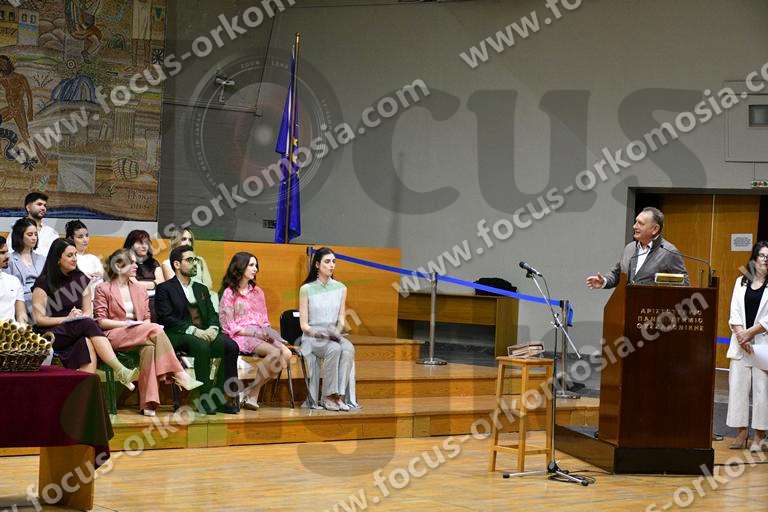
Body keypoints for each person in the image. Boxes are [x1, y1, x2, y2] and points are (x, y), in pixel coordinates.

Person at [31, 239, 138, 388]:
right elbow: (39, 319)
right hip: (51, 333)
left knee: (86, 341)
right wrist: (67, 319)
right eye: (70, 255)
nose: (74, 258)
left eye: (75, 254)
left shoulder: (81, 278)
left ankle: (83, 394)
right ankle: (120, 369)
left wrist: (80, 316)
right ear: (58, 259)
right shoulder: (43, 283)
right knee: (87, 324)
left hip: (77, 328)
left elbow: (88, 311)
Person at [155, 245, 240, 415]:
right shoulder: (165, 288)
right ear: (177, 264)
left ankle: (219, 398)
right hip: (178, 334)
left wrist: (213, 329)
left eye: (195, 259)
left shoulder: (201, 288)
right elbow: (165, 317)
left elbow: (213, 314)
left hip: (204, 333)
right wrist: (194, 331)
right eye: (189, 260)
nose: (194, 263)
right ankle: (204, 399)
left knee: (231, 346)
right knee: (202, 346)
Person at [219, 252, 292, 410]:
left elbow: (264, 320)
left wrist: (272, 335)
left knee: (286, 354)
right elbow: (229, 327)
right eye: (251, 265)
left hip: (260, 333)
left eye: (256, 265)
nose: (255, 269)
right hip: (241, 335)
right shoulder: (229, 293)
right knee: (275, 354)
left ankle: (251, 391)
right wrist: (254, 333)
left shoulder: (258, 292)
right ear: (240, 267)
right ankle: (253, 393)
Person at [299, 247, 357, 411]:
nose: (332, 265)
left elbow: (341, 319)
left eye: (334, 262)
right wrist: (322, 335)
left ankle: (338, 396)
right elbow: (304, 325)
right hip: (312, 335)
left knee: (348, 348)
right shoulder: (306, 289)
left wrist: (335, 333)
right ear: (317, 265)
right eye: (327, 261)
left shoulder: (341, 288)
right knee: (334, 349)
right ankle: (328, 396)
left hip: (333, 334)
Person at [726, 241, 768, 452]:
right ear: (754, 258)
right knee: (738, 388)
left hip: (762, 344)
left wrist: (750, 333)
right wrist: (742, 336)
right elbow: (734, 311)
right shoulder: (740, 281)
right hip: (740, 344)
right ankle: (741, 433)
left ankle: (760, 434)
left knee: (762, 390)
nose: (765, 260)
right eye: (762, 255)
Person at [586, 207, 689, 289]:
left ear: (655, 229)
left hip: (653, 308)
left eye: (640, 223)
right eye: (636, 222)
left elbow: (684, 284)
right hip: (629, 305)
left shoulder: (669, 252)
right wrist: (604, 281)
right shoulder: (629, 248)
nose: (634, 226)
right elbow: (617, 274)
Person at [161, 227, 218, 310]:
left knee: (214, 296)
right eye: (184, 239)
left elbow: (209, 285)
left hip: (202, 295)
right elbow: (175, 289)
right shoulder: (167, 263)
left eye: (190, 240)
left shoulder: (199, 260)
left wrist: (200, 296)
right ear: (175, 241)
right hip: (181, 299)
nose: (188, 242)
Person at [6, 218, 45, 318]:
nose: (34, 238)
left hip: (41, 298)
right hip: (20, 300)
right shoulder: (9, 259)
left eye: (36, 234)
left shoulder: (42, 259)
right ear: (20, 236)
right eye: (30, 234)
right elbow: (8, 287)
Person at [66, 219, 103, 300]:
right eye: (80, 237)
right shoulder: (68, 259)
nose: (85, 239)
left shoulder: (93, 258)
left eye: (87, 235)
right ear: (71, 238)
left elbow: (101, 282)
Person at [123, 230, 164, 295]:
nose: (144, 246)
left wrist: (141, 284)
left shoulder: (153, 262)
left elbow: (161, 282)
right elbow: (133, 284)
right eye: (140, 243)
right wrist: (154, 284)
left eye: (146, 243)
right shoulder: (125, 262)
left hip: (155, 296)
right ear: (131, 245)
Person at [0, 235, 27, 323]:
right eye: (2, 253)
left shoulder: (14, 281)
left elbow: (21, 313)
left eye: (7, 252)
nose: (7, 256)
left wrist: (23, 327)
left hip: (11, 329)